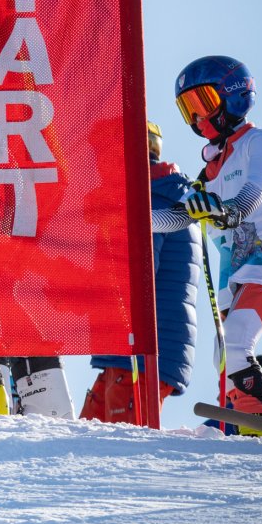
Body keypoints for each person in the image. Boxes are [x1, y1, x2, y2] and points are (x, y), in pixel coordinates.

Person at [152, 55, 262, 434]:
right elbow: (178, 218)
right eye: (189, 109)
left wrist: (229, 210)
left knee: (237, 338)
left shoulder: (260, 143)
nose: (198, 118)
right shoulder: (210, 170)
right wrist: (137, 221)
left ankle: (260, 412)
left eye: (203, 103)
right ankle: (235, 410)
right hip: (235, 274)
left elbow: (253, 192)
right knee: (224, 352)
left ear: (233, 95)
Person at [82, 121, 201, 424]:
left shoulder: (153, 196)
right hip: (130, 351)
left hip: (142, 352)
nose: (101, 166)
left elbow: (138, 271)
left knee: (116, 443)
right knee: (85, 438)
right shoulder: (159, 193)